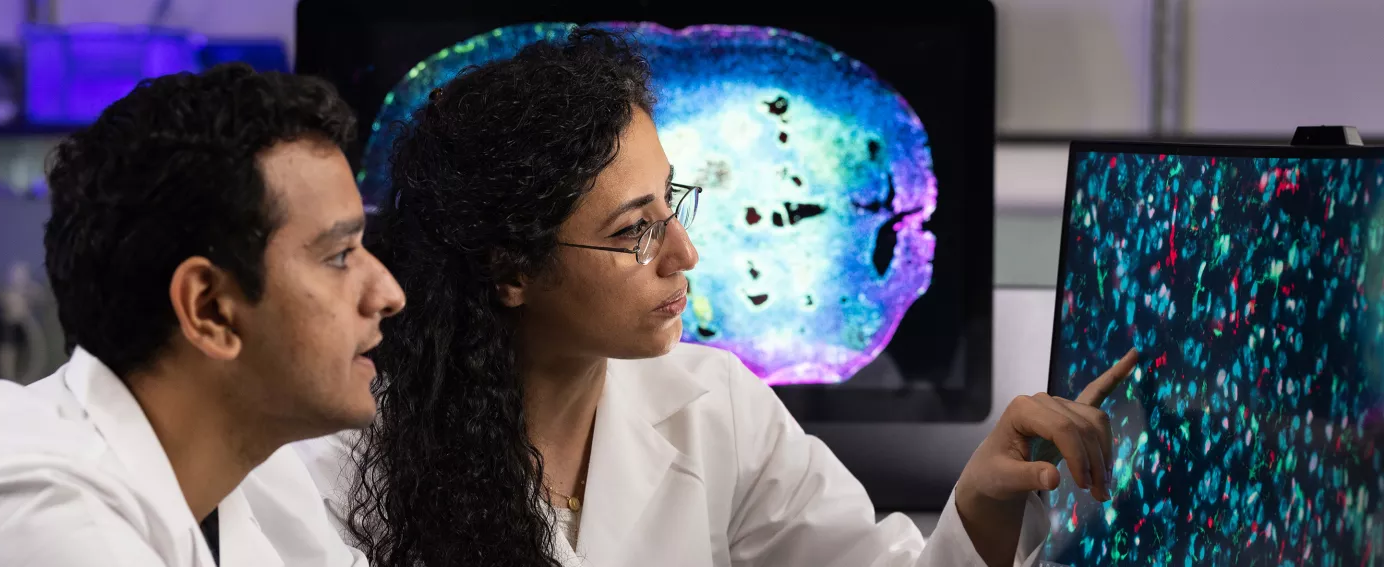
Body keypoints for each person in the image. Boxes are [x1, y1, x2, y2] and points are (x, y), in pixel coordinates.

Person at [297, 29, 1137, 567]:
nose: (684, 253)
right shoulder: (335, 466)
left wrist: (983, 499)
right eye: (633, 230)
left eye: (674, 200)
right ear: (510, 270)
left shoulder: (717, 403)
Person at [0, 63, 405, 566]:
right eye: (339, 256)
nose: (388, 294)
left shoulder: (240, 473)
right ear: (209, 309)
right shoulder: (43, 523)